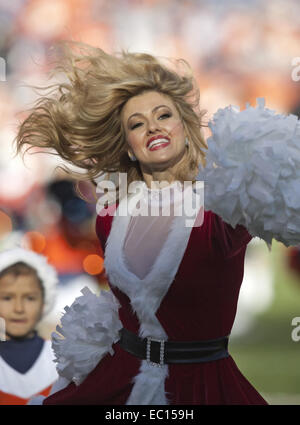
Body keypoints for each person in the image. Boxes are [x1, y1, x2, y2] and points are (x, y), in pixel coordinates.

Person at [15, 42, 300, 405]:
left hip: (202, 387)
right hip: (119, 379)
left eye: (163, 115)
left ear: (184, 125)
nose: (152, 126)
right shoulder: (110, 215)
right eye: (137, 123)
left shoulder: (223, 205)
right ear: (129, 145)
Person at [0, 247, 59, 404]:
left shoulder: (63, 358)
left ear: (44, 301)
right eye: (7, 298)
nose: (19, 308)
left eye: (30, 298)